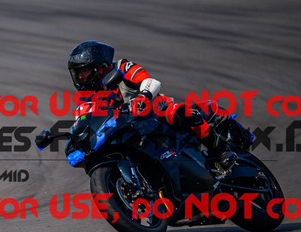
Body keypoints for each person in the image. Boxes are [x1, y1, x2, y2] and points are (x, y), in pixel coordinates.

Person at [67, 40, 237, 170]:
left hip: (154, 113)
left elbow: (151, 82)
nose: (80, 77)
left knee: (180, 112)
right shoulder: (86, 99)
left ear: (100, 66)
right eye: (77, 73)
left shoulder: (122, 67)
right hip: (127, 131)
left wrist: (143, 96)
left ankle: (221, 151)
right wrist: (76, 142)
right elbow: (82, 124)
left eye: (84, 71)